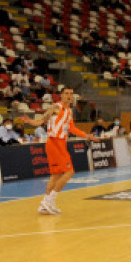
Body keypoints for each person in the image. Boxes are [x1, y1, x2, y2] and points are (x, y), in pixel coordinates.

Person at [22, 86, 101, 215]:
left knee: (56, 175)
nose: (69, 96)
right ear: (61, 95)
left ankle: (45, 205)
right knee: (69, 172)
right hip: (54, 142)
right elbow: (41, 120)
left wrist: (88, 136)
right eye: (66, 93)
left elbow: (73, 129)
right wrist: (29, 121)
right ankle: (48, 201)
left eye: (71, 93)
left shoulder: (69, 111)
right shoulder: (55, 107)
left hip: (61, 143)